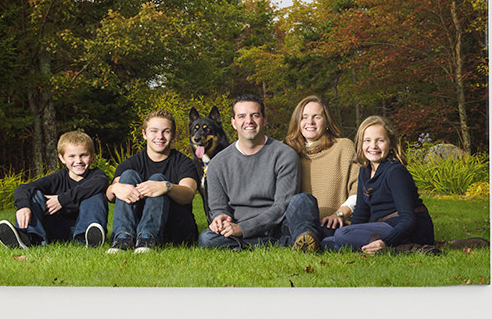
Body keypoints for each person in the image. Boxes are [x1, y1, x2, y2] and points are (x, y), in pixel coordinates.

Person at [198, 94, 321, 252]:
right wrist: (220, 218)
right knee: (207, 239)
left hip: (278, 225)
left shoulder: (284, 155)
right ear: (233, 123)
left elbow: (282, 206)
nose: (248, 121)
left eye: (255, 115)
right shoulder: (218, 163)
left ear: (264, 120)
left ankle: (290, 240)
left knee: (304, 200)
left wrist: (243, 228)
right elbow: (218, 206)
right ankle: (283, 243)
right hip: (238, 227)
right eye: (241, 116)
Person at [324, 114, 435, 254]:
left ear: (390, 143)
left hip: (410, 228)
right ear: (360, 144)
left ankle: (402, 248)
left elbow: (408, 219)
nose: (373, 146)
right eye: (367, 140)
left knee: (341, 236)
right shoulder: (365, 171)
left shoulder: (395, 172)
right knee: (327, 242)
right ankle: (368, 248)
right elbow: (360, 214)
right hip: (383, 226)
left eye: (380, 140)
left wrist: (385, 242)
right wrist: (352, 232)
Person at [104, 111, 203, 253]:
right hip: (136, 227)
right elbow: (110, 196)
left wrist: (166, 187)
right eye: (154, 131)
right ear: (144, 134)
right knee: (127, 176)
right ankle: (123, 238)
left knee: (158, 179)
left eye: (166, 132)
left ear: (173, 135)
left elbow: (188, 193)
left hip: (175, 228)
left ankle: (148, 237)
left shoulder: (184, 163)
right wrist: (115, 188)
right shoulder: (131, 163)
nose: (160, 137)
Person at [0, 130, 109, 249]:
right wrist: (23, 206)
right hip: (56, 229)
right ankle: (30, 237)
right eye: (72, 156)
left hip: (83, 228)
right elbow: (24, 188)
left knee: (96, 195)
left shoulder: (97, 176)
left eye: (83, 155)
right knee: (34, 194)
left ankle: (90, 239)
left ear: (92, 156)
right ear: (62, 158)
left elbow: (101, 182)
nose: (78, 161)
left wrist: (62, 200)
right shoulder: (58, 177)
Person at [286, 94, 360, 231]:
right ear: (297, 122)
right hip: (296, 225)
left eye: (317, 117)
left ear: (327, 121)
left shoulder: (343, 147)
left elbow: (358, 187)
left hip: (333, 224)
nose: (310, 122)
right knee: (302, 200)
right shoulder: (288, 153)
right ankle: (306, 237)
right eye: (304, 117)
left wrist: (340, 214)